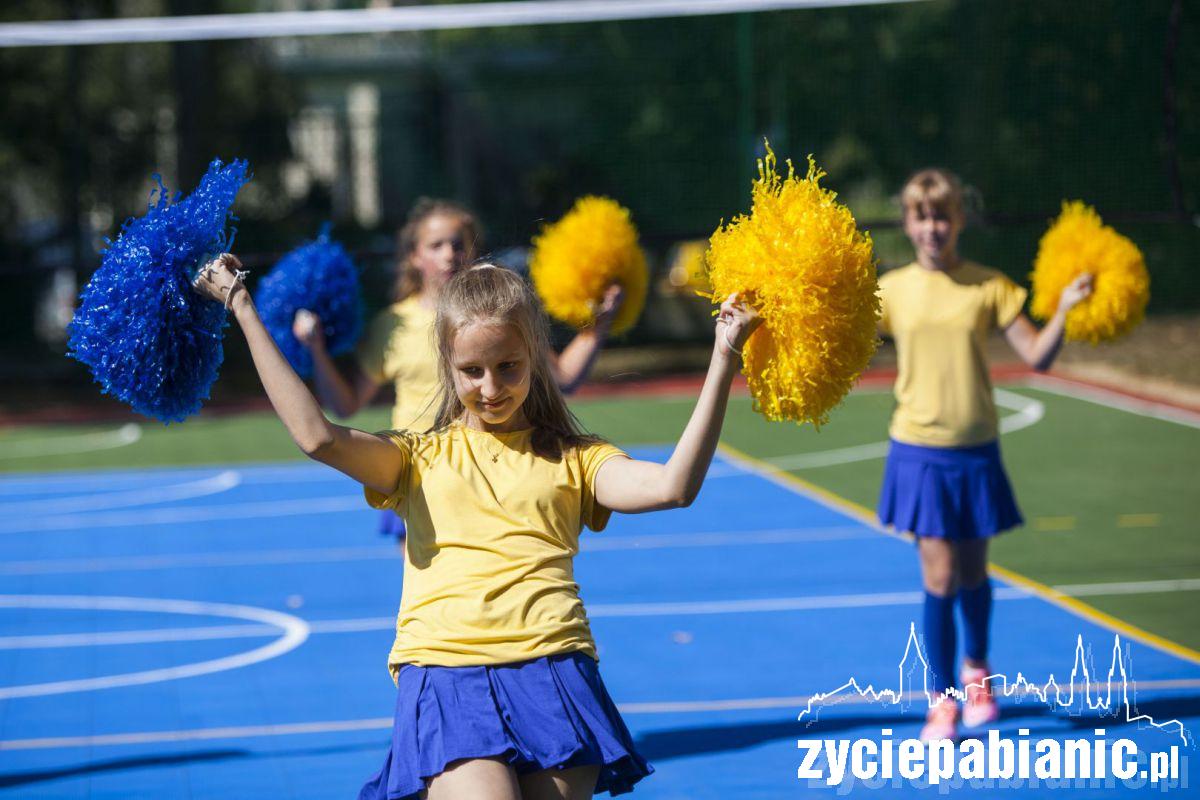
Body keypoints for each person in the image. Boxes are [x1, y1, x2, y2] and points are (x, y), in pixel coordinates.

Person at [194, 256, 761, 799]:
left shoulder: (575, 458)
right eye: (472, 371)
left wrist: (723, 357)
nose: (491, 388)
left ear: (535, 356)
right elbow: (318, 437)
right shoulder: (417, 458)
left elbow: (672, 488)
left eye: (508, 366)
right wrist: (242, 305)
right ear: (447, 364)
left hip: (555, 669)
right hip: (447, 672)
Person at [876, 169, 1093, 742]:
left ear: (960, 221)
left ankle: (977, 672)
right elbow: (840, 337)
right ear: (907, 222)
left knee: (974, 573)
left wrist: (1066, 309)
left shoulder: (989, 285)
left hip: (975, 451)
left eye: (942, 215)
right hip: (918, 450)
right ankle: (941, 698)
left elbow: (1036, 354)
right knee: (940, 577)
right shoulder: (890, 290)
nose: (932, 227)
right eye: (921, 216)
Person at [293, 198, 622, 539]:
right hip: (419, 473)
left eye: (458, 244)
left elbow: (563, 378)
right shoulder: (392, 324)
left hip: (492, 468)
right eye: (436, 245)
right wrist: (316, 349)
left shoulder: (501, 317)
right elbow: (346, 405)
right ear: (414, 256)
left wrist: (600, 324)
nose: (449, 254)